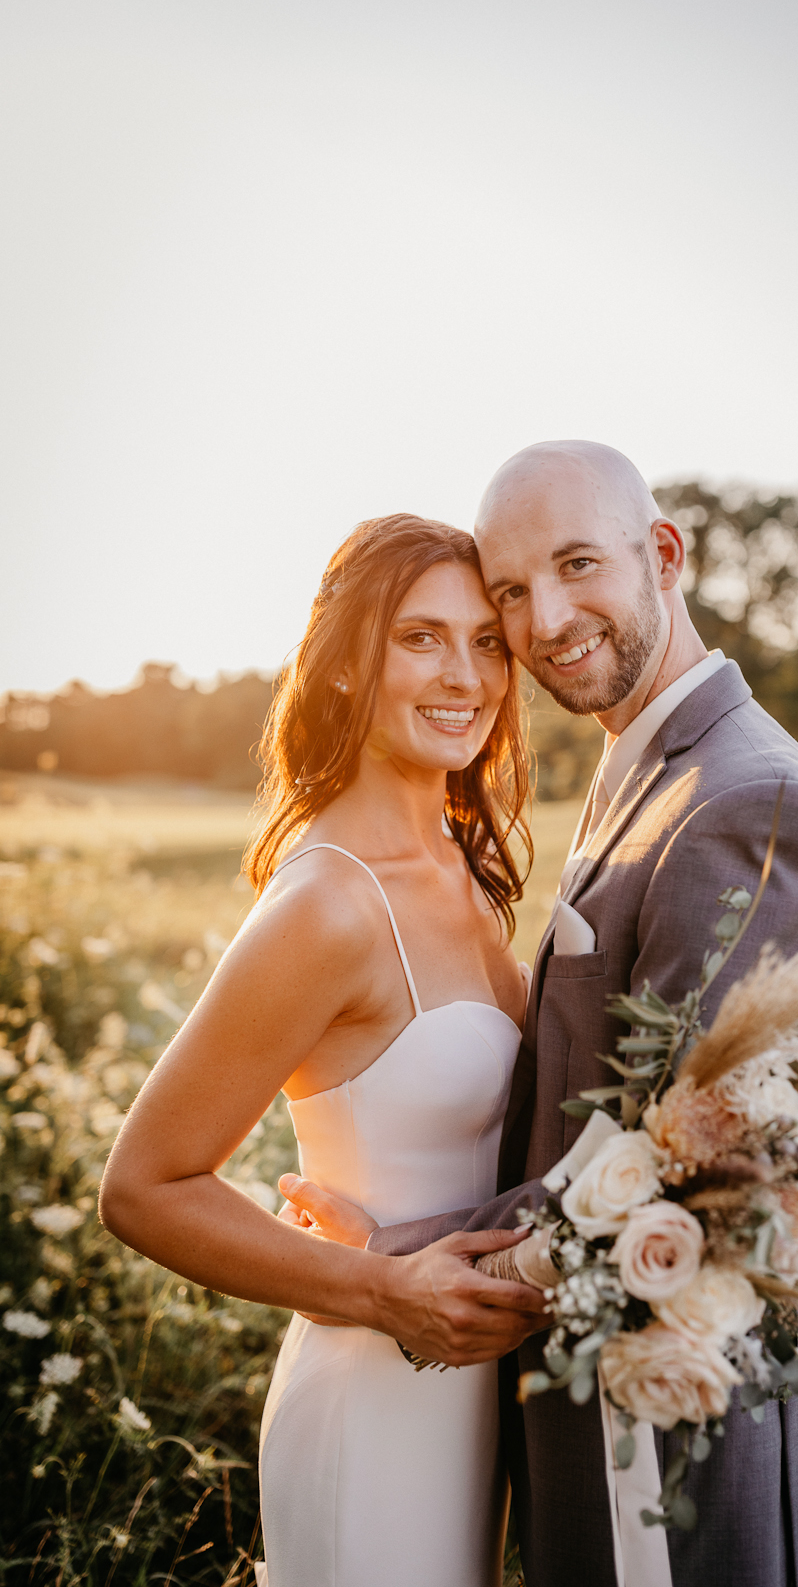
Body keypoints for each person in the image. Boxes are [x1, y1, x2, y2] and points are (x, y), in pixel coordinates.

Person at [299, 443, 798, 1587]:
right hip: (583, 1394)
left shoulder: (745, 799)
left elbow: (694, 1175)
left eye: (575, 566)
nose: (544, 617)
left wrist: (400, 1251)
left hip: (671, 1438)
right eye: (510, 590)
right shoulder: (642, 767)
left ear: (661, 554)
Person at [98, 513, 550, 1587]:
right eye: (421, 638)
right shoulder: (331, 901)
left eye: (487, 641)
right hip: (370, 1402)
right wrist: (374, 1286)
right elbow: (145, 1185)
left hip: (467, 1396)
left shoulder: (454, 858)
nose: (466, 674)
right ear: (345, 668)